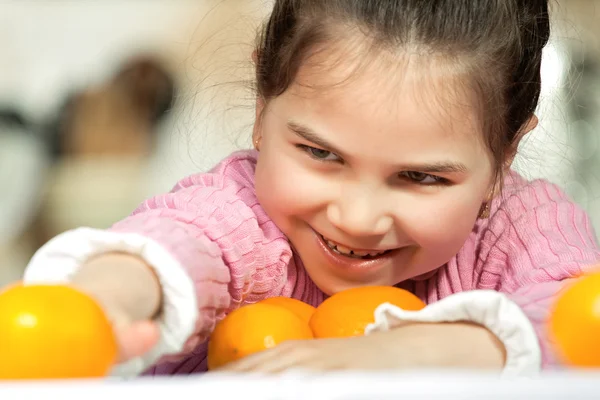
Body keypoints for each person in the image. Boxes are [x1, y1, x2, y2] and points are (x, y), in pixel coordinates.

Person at [23, 0, 600, 377]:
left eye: (422, 177)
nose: (357, 217)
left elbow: (577, 318)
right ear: (261, 107)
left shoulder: (520, 229)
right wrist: (105, 298)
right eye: (321, 154)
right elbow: (181, 242)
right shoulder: (245, 211)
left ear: (505, 156)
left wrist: (419, 351)